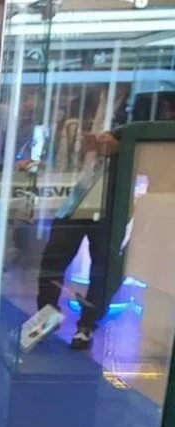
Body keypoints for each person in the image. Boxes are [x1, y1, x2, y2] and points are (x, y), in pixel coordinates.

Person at [36, 92, 175, 350]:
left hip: (112, 199)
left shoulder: (141, 101)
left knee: (103, 267)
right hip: (74, 196)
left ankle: (87, 326)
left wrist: (120, 149)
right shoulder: (84, 97)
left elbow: (149, 146)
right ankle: (46, 317)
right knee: (53, 259)